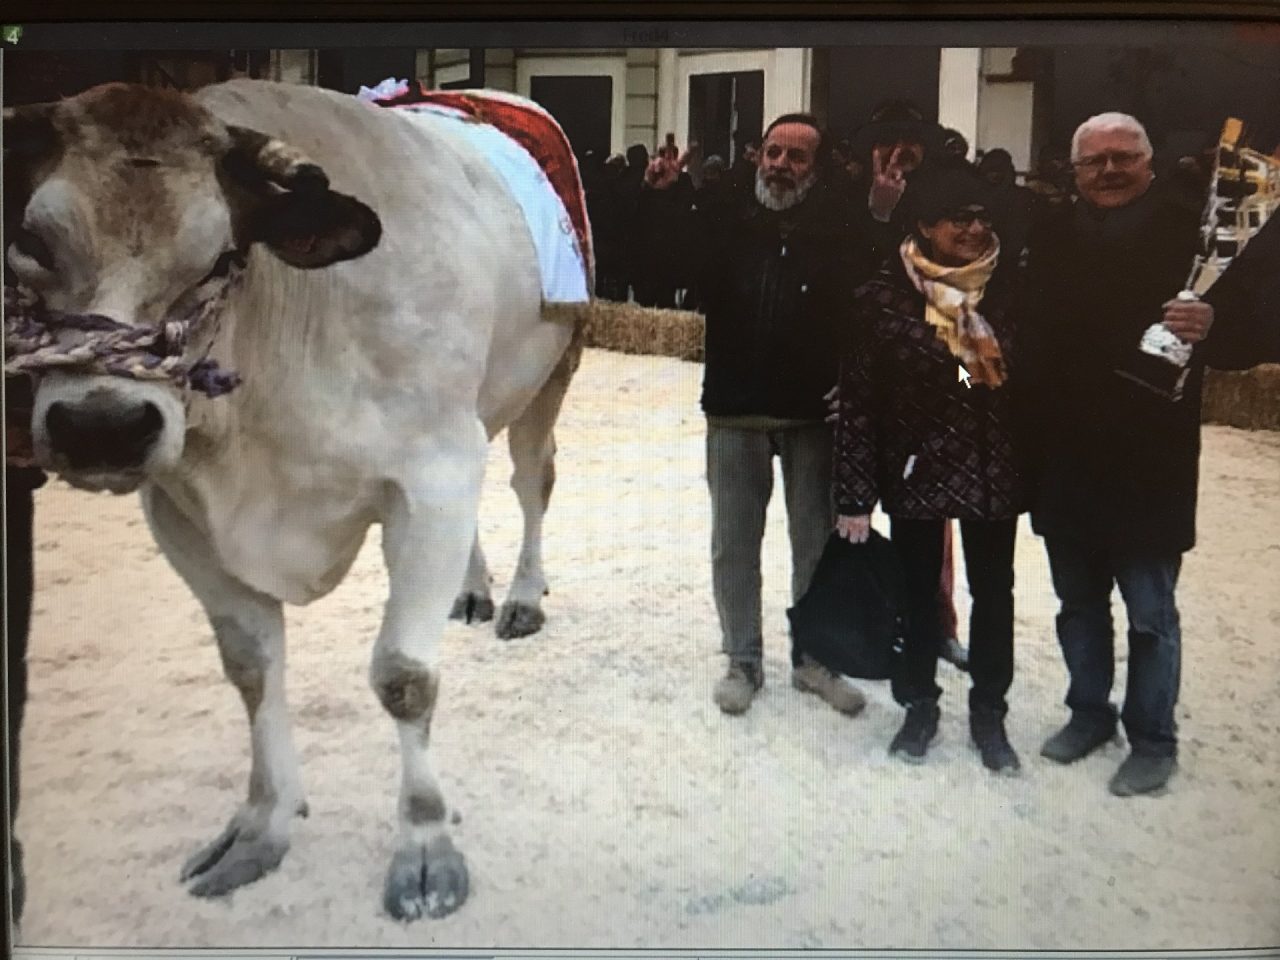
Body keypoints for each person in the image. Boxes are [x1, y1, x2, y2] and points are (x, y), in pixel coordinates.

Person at [1018, 111, 1271, 796]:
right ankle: (1089, 714)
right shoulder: (1049, 235)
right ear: (1073, 172)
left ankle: (1154, 737)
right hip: (1066, 453)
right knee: (1077, 605)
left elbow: (1256, 330)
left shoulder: (1196, 234)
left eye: (1123, 157)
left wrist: (1214, 324)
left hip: (1149, 456)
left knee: (1150, 614)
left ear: (1149, 161)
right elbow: (1022, 337)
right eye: (1094, 161)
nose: (1109, 170)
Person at [833, 165, 1024, 772]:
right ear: (924, 226)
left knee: (994, 593)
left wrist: (964, 369)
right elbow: (861, 400)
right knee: (917, 596)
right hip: (915, 467)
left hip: (990, 464)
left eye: (981, 217)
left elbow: (1006, 374)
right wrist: (854, 494)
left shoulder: (1010, 288)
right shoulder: (883, 296)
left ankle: (989, 710)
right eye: (958, 218)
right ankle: (919, 704)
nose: (973, 229)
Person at [698, 113, 870, 717]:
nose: (781, 164)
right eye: (773, 151)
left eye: (797, 157)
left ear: (816, 170)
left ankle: (814, 661)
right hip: (734, 410)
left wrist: (853, 381)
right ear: (756, 156)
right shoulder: (724, 217)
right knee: (734, 545)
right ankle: (742, 660)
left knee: (817, 546)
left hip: (811, 415)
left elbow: (867, 316)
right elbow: (666, 267)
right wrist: (661, 200)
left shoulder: (841, 229)